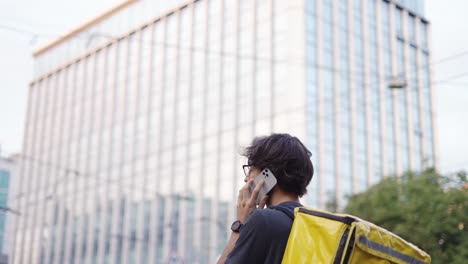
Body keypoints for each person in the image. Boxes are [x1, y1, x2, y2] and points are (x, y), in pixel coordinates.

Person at [217, 133, 314, 263]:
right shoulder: (311, 224)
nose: (246, 178)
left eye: (251, 170)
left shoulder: (262, 221)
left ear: (267, 176)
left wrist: (240, 225)